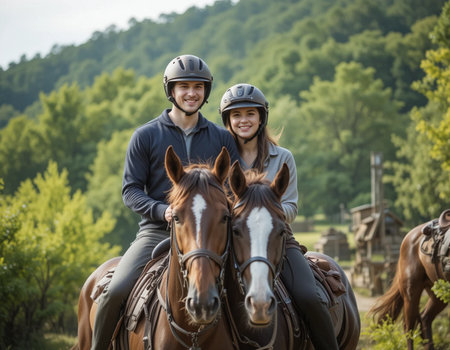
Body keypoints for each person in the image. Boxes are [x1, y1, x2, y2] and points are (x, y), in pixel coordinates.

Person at [91, 54, 240, 350]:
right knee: (115, 291)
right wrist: (163, 211)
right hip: (156, 232)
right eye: (183, 86)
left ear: (206, 92)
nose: (191, 93)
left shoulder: (222, 138)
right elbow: (131, 190)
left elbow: (236, 191)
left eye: (198, 86)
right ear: (171, 91)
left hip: (211, 236)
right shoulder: (145, 136)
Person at [219, 83, 339, 350]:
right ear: (228, 120)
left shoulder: (283, 157)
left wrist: (263, 215)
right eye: (236, 115)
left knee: (309, 296)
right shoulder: (221, 161)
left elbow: (291, 207)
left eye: (250, 113)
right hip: (231, 242)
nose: (243, 120)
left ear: (261, 117)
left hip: (277, 242)